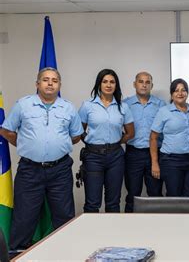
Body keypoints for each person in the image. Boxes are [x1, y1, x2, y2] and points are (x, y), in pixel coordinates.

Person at [0, 67, 83, 250]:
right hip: (30, 171)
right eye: (45, 80)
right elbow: (6, 130)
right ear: (37, 84)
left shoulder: (68, 107)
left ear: (60, 85)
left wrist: (57, 145)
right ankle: (16, 254)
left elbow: (76, 135)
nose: (50, 83)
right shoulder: (23, 105)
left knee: (64, 215)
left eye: (54, 80)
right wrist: (27, 145)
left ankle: (66, 251)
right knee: (24, 216)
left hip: (60, 170)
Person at [78, 69, 134, 213]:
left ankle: (112, 234)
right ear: (99, 84)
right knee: (92, 203)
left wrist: (115, 142)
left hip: (116, 157)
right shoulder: (87, 105)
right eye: (105, 81)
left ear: (116, 85)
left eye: (112, 82)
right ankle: (92, 235)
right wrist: (91, 142)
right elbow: (79, 131)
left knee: (113, 202)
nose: (108, 85)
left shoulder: (123, 107)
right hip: (93, 157)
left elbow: (130, 133)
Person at [149, 79, 189, 196]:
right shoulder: (164, 111)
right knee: (174, 197)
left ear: (187, 93)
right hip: (171, 161)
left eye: (183, 90)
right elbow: (153, 138)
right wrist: (155, 163)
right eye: (176, 90)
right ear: (172, 94)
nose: (180, 93)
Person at [123, 72, 165, 212]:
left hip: (154, 155)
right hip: (133, 155)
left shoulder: (160, 105)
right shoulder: (125, 105)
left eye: (147, 82)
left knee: (155, 194)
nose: (144, 85)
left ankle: (156, 229)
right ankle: (130, 229)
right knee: (133, 194)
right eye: (141, 81)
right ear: (134, 84)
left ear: (151, 85)